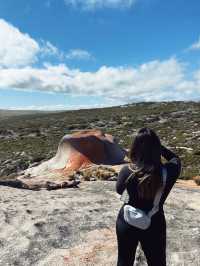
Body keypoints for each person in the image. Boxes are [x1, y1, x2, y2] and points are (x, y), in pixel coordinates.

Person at [116, 127, 181, 266]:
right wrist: (159, 147)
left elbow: (119, 190)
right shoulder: (168, 172)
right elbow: (175, 159)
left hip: (127, 221)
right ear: (157, 148)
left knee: (124, 261)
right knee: (157, 262)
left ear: (135, 148)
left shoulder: (127, 171)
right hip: (154, 223)